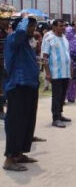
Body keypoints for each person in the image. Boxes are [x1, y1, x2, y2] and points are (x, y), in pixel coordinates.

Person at [3, 17, 40, 171]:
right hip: (18, 86)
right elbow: (19, 32)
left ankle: (19, 153)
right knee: (15, 122)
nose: (33, 30)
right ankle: (9, 159)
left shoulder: (26, 43)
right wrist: (24, 19)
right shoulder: (14, 37)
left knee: (27, 122)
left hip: (30, 85)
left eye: (34, 27)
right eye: (30, 27)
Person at [42, 19, 72, 128]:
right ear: (54, 27)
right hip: (56, 73)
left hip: (66, 72)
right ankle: (55, 118)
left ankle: (60, 114)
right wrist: (48, 73)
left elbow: (67, 55)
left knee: (63, 95)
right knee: (56, 96)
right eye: (60, 26)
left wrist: (71, 70)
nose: (63, 27)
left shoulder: (64, 38)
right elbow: (45, 57)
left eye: (64, 25)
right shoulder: (49, 39)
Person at [65, 26, 76, 103]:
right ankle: (67, 97)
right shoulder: (64, 40)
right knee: (68, 80)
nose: (68, 34)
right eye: (67, 32)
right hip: (67, 63)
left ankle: (71, 97)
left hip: (74, 63)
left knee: (74, 80)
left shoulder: (75, 41)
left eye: (69, 32)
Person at [0, 18, 9, 120]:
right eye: (4, 20)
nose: (7, 22)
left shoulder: (5, 32)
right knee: (1, 89)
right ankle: (1, 111)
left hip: (5, 65)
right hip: (1, 65)